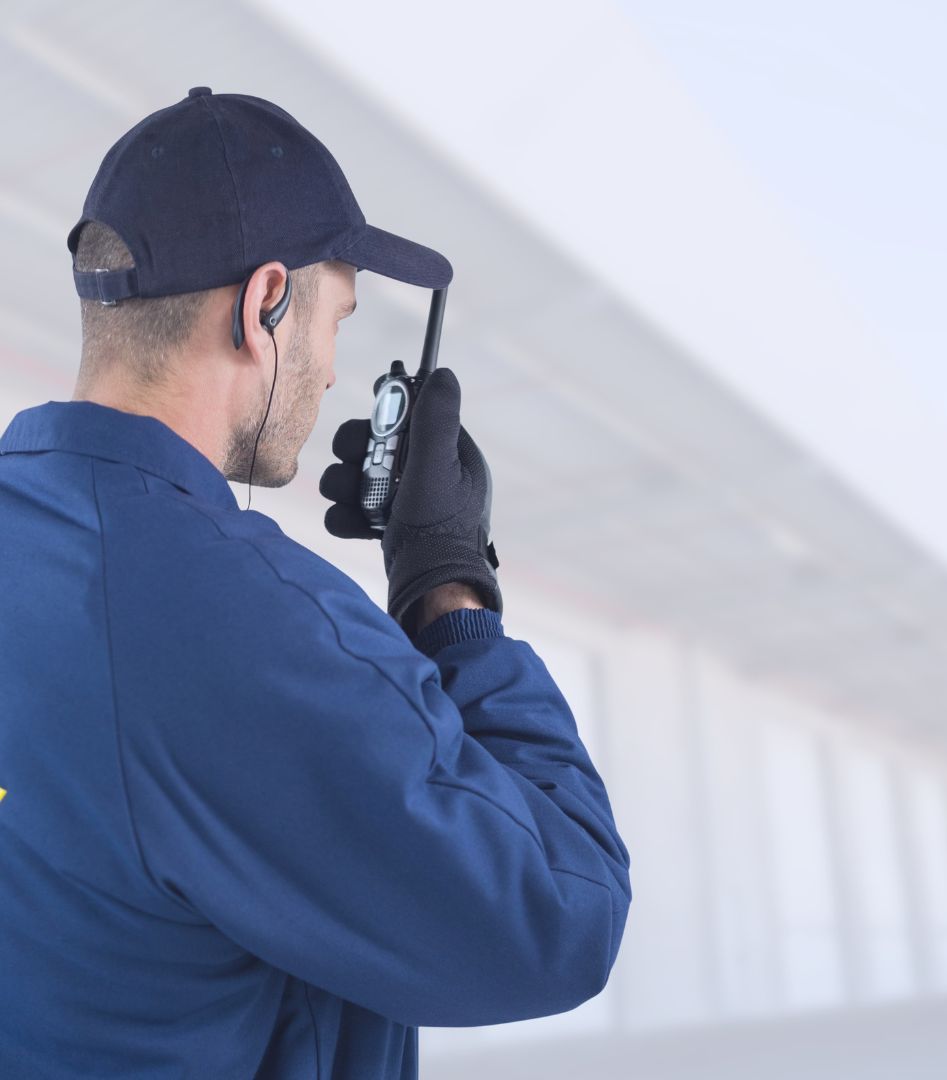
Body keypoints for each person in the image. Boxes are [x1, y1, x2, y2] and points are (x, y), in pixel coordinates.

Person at [0, 87, 631, 1079]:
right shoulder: (241, 622)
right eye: (335, 317)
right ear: (265, 306)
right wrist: (447, 587)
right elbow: (564, 916)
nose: (334, 372)